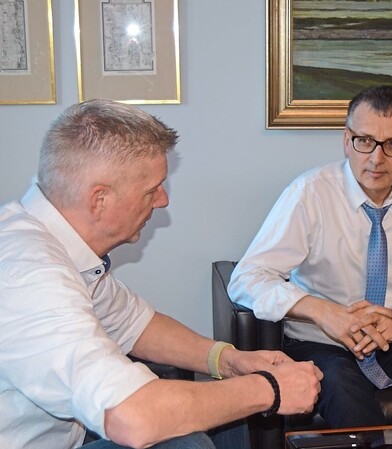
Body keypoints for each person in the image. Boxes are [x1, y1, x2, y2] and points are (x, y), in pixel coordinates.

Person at [0, 99, 322, 449]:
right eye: (152, 189)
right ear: (99, 200)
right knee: (187, 441)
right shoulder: (29, 276)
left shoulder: (62, 249)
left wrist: (231, 361)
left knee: (224, 413)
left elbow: (137, 325)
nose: (163, 200)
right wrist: (271, 390)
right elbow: (131, 418)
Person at [228, 85, 392, 448]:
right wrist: (326, 313)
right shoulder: (310, 193)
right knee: (340, 385)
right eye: (364, 141)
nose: (376, 158)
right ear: (346, 140)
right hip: (323, 344)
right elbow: (246, 279)